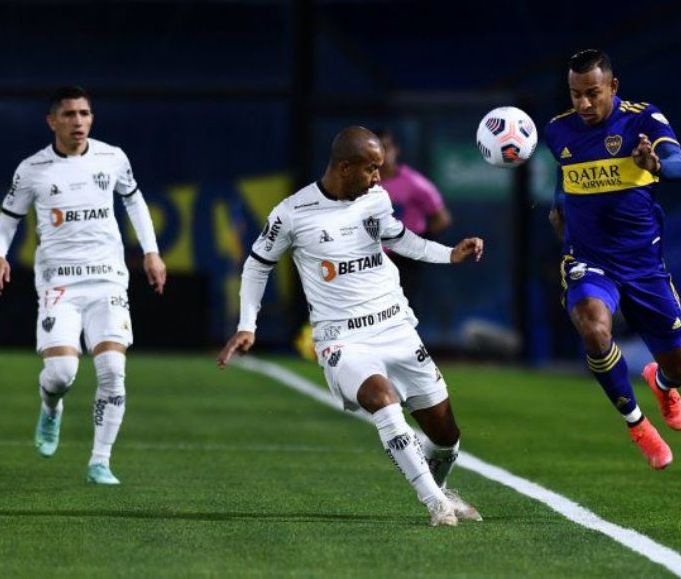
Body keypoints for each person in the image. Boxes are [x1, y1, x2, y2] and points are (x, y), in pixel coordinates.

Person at [218, 126, 483, 526]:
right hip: (343, 340)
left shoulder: (376, 199)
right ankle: (436, 505)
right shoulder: (292, 213)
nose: (379, 177)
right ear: (344, 168)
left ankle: (438, 486)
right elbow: (258, 264)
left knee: (446, 437)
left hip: (396, 328)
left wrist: (451, 255)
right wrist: (247, 323)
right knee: (383, 400)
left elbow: (401, 238)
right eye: (371, 168)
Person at [0, 86, 167, 484]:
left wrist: (151, 251)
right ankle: (51, 408)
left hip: (107, 278)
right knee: (61, 373)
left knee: (112, 367)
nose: (79, 122)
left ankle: (100, 461)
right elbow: (9, 217)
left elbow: (133, 200)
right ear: (52, 121)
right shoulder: (32, 170)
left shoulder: (112, 158)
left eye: (85, 114)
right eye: (71, 114)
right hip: (60, 283)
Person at [544, 50, 681, 469]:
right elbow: (566, 176)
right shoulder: (557, 131)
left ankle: (661, 383)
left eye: (593, 93)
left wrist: (654, 163)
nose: (584, 104)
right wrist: (561, 209)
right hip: (589, 259)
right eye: (575, 95)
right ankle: (639, 426)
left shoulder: (642, 119)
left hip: (644, 264)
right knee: (594, 330)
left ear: (613, 86)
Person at [375, 129, 451, 309]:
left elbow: (441, 218)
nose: (382, 155)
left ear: (396, 150)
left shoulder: (414, 183)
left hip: (404, 260)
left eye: (386, 148)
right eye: (377, 150)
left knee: (399, 308)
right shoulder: (362, 184)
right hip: (372, 258)